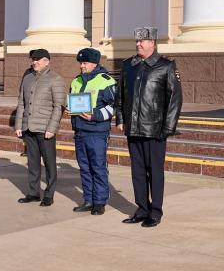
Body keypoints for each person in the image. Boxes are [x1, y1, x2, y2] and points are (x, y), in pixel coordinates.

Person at [116, 27, 182, 228]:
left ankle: (155, 211)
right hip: (133, 128)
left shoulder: (166, 66)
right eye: (137, 41)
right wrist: (120, 119)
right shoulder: (128, 65)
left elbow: (175, 100)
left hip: (155, 129)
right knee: (137, 171)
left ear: (153, 43)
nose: (138, 44)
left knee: (155, 171)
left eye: (142, 41)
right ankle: (142, 209)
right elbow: (121, 95)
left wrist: (168, 128)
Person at [14, 48, 65, 207]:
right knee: (33, 163)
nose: (34, 62)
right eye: (33, 59)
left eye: (37, 59)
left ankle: (49, 194)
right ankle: (33, 193)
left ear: (46, 61)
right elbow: (21, 103)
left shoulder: (55, 79)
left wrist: (52, 128)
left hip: (45, 130)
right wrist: (18, 124)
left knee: (50, 163)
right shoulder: (27, 78)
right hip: (29, 128)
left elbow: (59, 106)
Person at [68, 48, 116, 216]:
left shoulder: (106, 81)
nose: (82, 66)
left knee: (98, 167)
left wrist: (94, 116)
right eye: (80, 63)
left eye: (85, 63)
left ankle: (100, 202)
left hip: (97, 132)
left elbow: (113, 107)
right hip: (80, 131)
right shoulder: (76, 81)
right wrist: (70, 109)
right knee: (85, 168)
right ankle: (88, 200)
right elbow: (73, 100)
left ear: (94, 63)